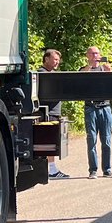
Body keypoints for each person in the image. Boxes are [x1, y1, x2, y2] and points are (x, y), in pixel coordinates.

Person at [82, 46, 112, 178]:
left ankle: (107, 169)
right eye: (92, 53)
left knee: (106, 140)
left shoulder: (105, 69)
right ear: (87, 55)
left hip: (105, 107)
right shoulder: (84, 70)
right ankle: (93, 170)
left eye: (97, 53)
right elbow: (80, 79)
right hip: (91, 108)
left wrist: (110, 73)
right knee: (92, 140)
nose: (95, 56)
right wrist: (89, 67)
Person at [40, 48, 69, 178]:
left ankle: (50, 169)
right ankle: (51, 170)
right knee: (49, 143)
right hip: (48, 113)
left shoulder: (51, 74)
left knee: (51, 142)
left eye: (58, 60)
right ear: (46, 59)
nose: (57, 62)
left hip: (53, 113)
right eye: (55, 59)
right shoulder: (43, 74)